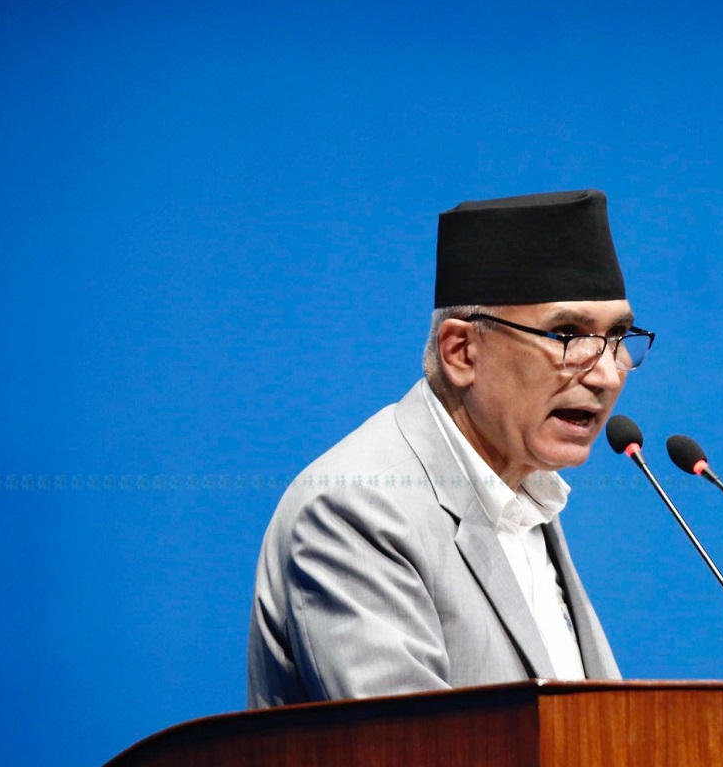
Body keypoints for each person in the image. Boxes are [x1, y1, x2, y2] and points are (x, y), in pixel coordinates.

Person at [247, 189, 654, 707]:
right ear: (462, 352)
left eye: (618, 335)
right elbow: (412, 749)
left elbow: (587, 730)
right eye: (567, 335)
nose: (606, 375)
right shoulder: (357, 509)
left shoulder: (522, 492)